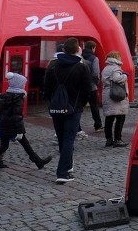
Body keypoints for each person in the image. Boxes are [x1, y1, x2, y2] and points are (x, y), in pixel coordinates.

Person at [0, 73, 52, 177]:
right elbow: (17, 116)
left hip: (4, 125)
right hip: (13, 126)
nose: (24, 86)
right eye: (23, 84)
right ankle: (38, 161)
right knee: (23, 145)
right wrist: (20, 131)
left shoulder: (4, 96)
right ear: (19, 85)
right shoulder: (19, 98)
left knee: (5, 147)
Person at [43, 37, 91, 184]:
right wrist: (81, 103)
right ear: (77, 50)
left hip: (57, 106)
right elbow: (87, 89)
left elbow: (46, 87)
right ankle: (63, 172)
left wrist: (52, 100)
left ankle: (68, 167)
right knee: (69, 139)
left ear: (63, 49)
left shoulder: (53, 66)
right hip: (73, 107)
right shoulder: (81, 67)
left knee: (62, 138)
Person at [100, 51, 130, 148]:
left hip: (107, 94)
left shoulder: (106, 68)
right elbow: (117, 79)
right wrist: (125, 75)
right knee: (120, 117)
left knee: (109, 118)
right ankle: (118, 139)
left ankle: (109, 139)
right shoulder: (116, 68)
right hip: (116, 95)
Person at [81, 40, 103, 133]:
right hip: (91, 86)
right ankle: (98, 125)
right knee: (94, 106)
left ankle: (77, 127)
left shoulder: (80, 57)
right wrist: (97, 83)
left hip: (81, 86)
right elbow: (95, 73)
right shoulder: (94, 58)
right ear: (93, 48)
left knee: (79, 107)